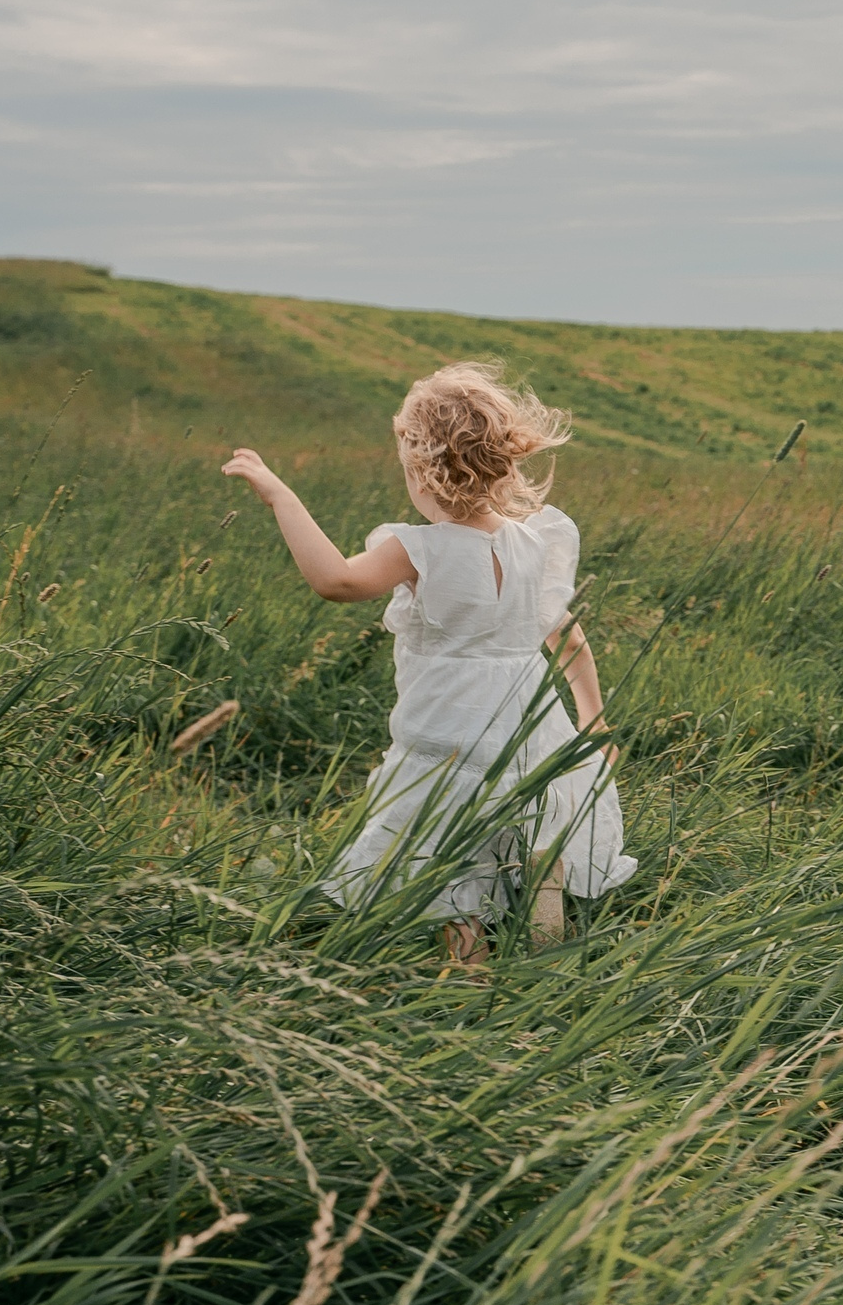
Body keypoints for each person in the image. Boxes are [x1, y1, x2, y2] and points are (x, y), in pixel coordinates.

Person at [224, 362, 637, 966]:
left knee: (444, 854)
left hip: (450, 729)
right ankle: (548, 959)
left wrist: (280, 495)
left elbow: (336, 580)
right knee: (532, 828)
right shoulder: (534, 540)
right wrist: (593, 720)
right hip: (530, 725)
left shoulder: (420, 548)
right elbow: (565, 634)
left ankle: (469, 979)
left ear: (424, 470)